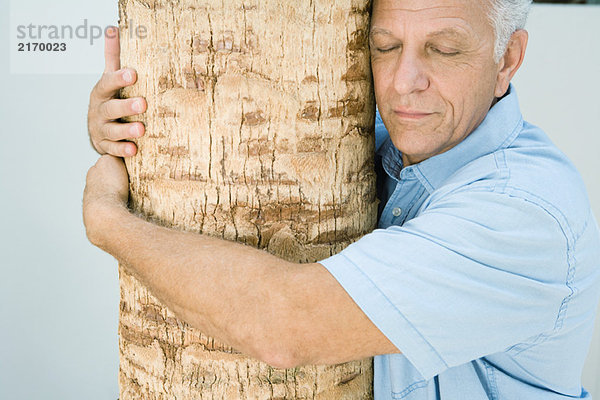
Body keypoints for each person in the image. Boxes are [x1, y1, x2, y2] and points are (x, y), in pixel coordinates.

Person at [83, 0, 600, 398]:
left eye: (443, 50)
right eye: (385, 46)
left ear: (507, 59)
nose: (403, 82)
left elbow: (285, 325)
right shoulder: (373, 138)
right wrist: (132, 123)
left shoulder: (525, 213)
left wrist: (107, 220)